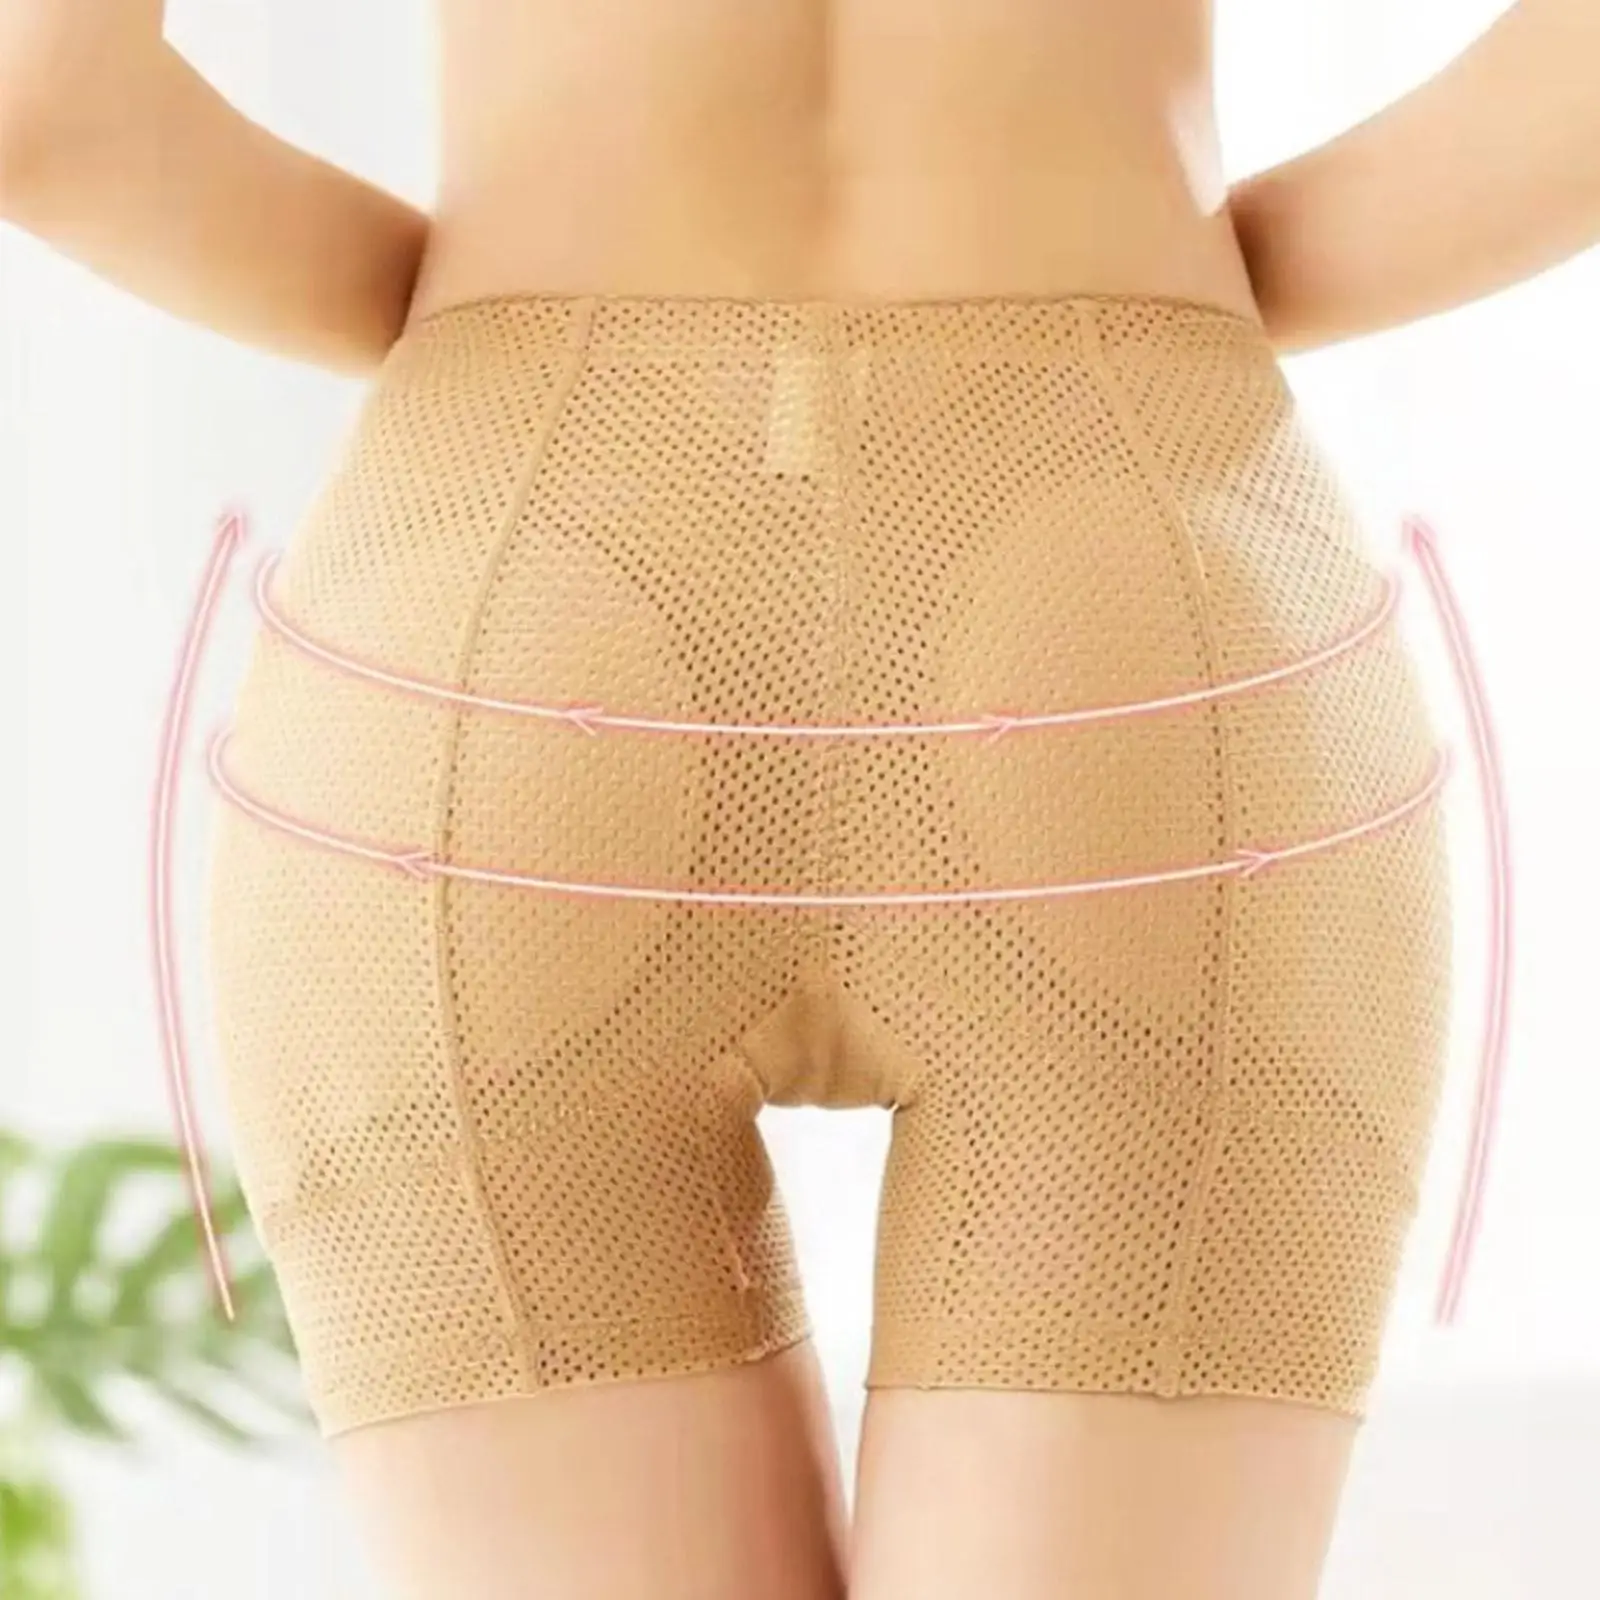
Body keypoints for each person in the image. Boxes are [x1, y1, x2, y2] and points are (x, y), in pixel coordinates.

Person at [2, 4, 1595, 1598]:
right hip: (1127, 599)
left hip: (510, 612)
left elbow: (45, 106)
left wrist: (471, 325)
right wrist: (1191, 294)